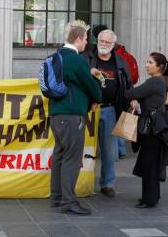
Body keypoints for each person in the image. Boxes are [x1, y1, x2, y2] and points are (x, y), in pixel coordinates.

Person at [49, 22, 102, 215]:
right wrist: (97, 98)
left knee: (60, 157)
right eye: (86, 39)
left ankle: (56, 198)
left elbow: (72, 81)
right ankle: (69, 202)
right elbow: (90, 85)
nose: (87, 42)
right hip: (72, 116)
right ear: (78, 39)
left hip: (56, 114)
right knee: (72, 159)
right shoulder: (76, 59)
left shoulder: (56, 56)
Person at [82, 29, 131, 198]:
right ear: (97, 40)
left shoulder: (120, 62)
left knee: (109, 150)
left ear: (113, 45)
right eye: (101, 41)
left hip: (110, 109)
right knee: (84, 147)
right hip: (88, 109)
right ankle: (80, 181)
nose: (103, 44)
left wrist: (130, 102)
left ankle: (107, 184)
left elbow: (127, 85)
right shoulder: (86, 58)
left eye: (107, 42)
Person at [126, 52, 168, 208]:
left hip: (152, 129)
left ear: (159, 67)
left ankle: (150, 199)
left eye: (150, 63)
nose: (146, 65)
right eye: (147, 62)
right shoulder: (158, 81)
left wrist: (133, 96)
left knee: (150, 164)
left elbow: (132, 93)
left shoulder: (154, 81)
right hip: (154, 128)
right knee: (150, 163)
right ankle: (150, 197)